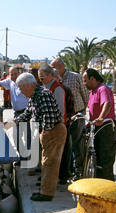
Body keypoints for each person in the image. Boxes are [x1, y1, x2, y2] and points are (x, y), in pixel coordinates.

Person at [14, 73, 67, 202]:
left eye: (21, 88)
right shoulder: (35, 96)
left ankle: (46, 193)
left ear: (27, 85)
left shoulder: (43, 95)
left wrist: (44, 132)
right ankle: (45, 185)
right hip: (49, 131)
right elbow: (27, 113)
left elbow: (49, 116)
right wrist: (14, 121)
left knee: (50, 162)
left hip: (53, 131)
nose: (20, 92)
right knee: (46, 161)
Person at [51, 58, 89, 181]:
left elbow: (86, 94)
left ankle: (79, 171)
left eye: (53, 67)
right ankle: (67, 171)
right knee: (67, 145)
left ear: (60, 67)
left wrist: (83, 111)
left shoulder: (75, 77)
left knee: (77, 144)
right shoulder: (55, 80)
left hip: (77, 114)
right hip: (64, 118)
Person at [82, 68, 116, 181]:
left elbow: (107, 103)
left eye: (85, 80)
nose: (84, 83)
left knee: (105, 160)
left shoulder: (103, 89)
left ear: (92, 78)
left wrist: (101, 118)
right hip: (97, 127)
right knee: (97, 158)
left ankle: (108, 186)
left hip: (106, 127)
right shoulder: (92, 92)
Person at [38, 65, 70, 183]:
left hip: (56, 126)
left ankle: (60, 178)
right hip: (51, 125)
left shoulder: (57, 89)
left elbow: (60, 110)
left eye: (42, 78)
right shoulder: (47, 87)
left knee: (57, 156)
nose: (40, 81)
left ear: (50, 76)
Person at [0, 66, 31, 157]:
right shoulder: (9, 81)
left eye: (15, 74)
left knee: (27, 135)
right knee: (16, 135)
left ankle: (27, 156)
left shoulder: (25, 82)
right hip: (16, 113)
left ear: (19, 74)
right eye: (11, 74)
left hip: (26, 112)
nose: (13, 76)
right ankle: (21, 155)